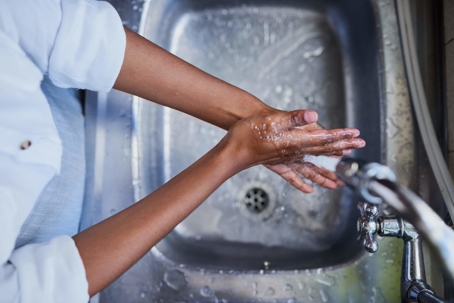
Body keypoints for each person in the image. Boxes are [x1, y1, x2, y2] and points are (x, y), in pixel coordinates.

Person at [0, 0, 365, 302]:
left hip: (73, 109)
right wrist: (234, 153)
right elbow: (41, 291)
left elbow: (69, 34)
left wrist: (254, 118)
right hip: (91, 250)